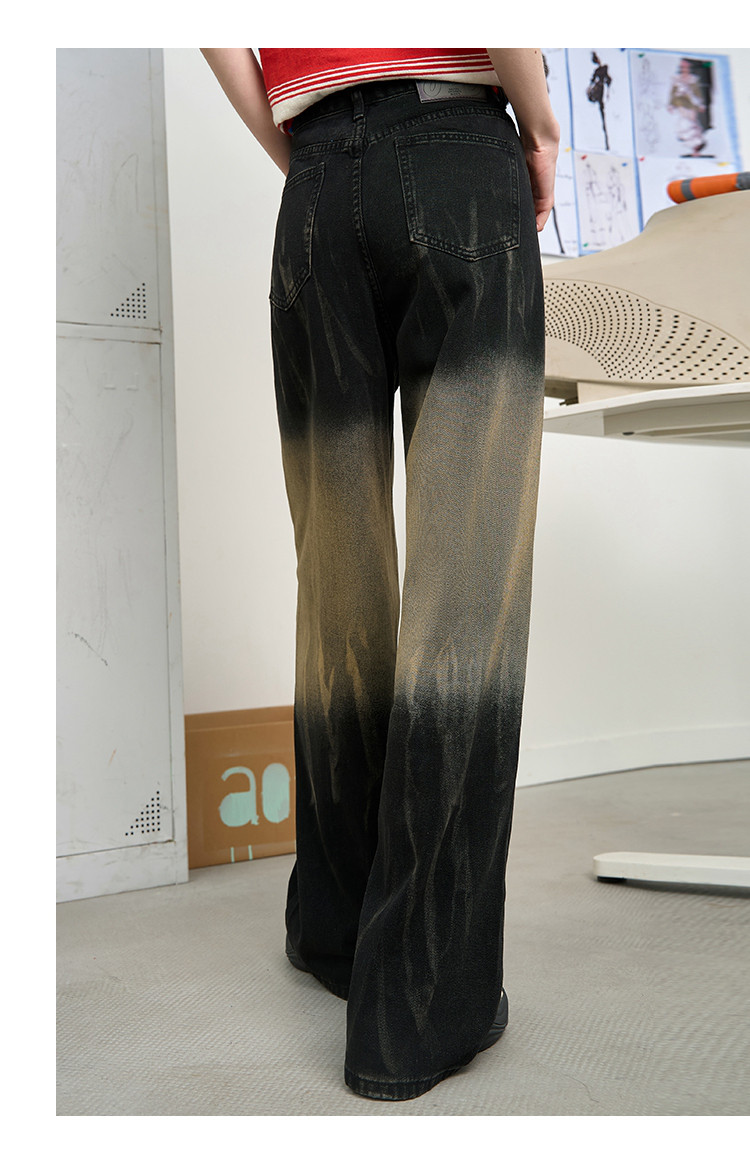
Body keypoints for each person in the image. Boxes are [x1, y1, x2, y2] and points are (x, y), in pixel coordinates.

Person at [200, 46, 559, 1102]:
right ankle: (417, 1010)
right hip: (459, 152)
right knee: (467, 593)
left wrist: (309, 155)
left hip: (315, 181)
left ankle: (335, 929)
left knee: (338, 584)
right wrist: (539, 127)